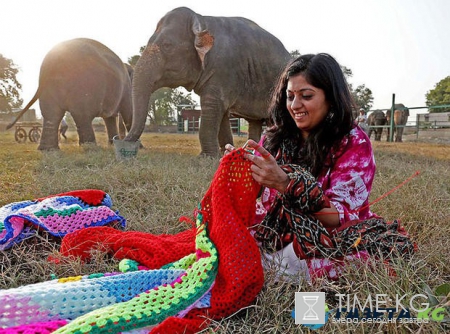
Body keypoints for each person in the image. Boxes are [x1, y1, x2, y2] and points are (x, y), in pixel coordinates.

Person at [225, 53, 414, 281]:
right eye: (290, 96)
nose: (295, 106)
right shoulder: (275, 138)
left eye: (306, 96)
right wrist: (242, 173)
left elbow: (336, 218)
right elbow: (256, 198)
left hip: (331, 237)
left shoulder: (353, 143)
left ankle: (268, 267)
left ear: (331, 98)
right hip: (276, 233)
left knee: (343, 260)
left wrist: (288, 185)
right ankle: (266, 265)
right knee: (226, 242)